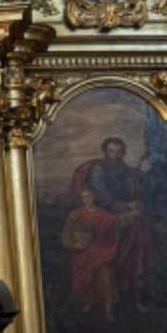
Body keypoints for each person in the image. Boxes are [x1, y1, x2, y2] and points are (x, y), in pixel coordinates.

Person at [72, 137, 156, 311]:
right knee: (115, 250)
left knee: (138, 239)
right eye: (111, 151)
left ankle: (134, 290)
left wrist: (144, 170)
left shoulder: (124, 168)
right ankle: (110, 294)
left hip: (129, 215)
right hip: (106, 216)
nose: (115, 155)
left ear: (122, 153)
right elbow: (102, 197)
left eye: (119, 152)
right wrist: (125, 206)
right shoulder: (98, 170)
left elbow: (137, 177)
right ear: (105, 152)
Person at [61, 187, 120, 322]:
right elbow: (66, 232)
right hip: (82, 252)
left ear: (95, 198)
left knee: (105, 277)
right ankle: (89, 302)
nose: (86, 200)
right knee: (86, 280)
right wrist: (74, 245)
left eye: (89, 197)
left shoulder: (104, 214)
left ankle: (108, 310)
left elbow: (114, 228)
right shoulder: (76, 214)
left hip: (101, 251)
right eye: (83, 197)